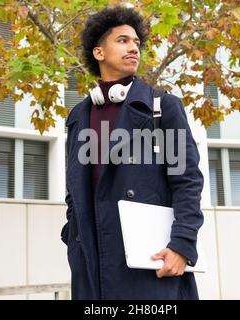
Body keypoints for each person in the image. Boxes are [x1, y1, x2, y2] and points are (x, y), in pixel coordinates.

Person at [61, 5, 204, 300]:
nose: (133, 48)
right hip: (92, 265)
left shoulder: (163, 107)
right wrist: (72, 238)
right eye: (123, 40)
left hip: (151, 262)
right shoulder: (79, 117)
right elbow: (74, 191)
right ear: (99, 53)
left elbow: (187, 181)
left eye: (137, 43)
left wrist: (182, 245)